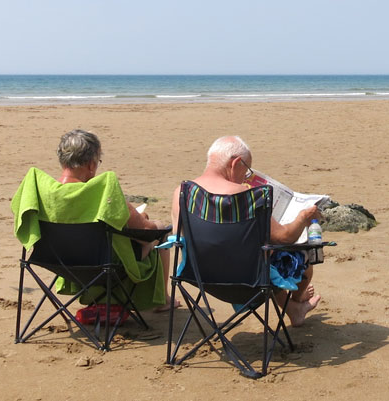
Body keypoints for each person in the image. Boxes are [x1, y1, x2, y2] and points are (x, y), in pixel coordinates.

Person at [172, 136, 322, 326]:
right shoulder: (246, 196)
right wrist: (303, 218)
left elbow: (180, 238)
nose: (246, 176)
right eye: (247, 169)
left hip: (199, 276)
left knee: (265, 256)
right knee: (300, 255)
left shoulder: (182, 192)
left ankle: (293, 308)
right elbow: (285, 236)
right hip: (250, 281)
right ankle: (296, 302)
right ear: (235, 163)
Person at [54, 129, 175, 309]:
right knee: (159, 228)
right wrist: (142, 217)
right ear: (91, 164)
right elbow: (146, 232)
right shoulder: (101, 193)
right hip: (105, 264)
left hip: (62, 262)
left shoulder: (47, 194)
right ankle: (163, 301)